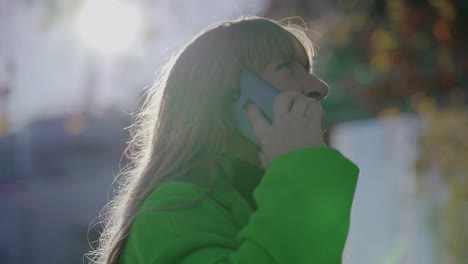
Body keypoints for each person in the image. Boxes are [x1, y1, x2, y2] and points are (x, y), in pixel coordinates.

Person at [87, 16, 359, 264]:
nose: (319, 88)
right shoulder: (173, 208)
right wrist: (300, 168)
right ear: (231, 96)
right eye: (287, 67)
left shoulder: (259, 203)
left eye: (308, 70)